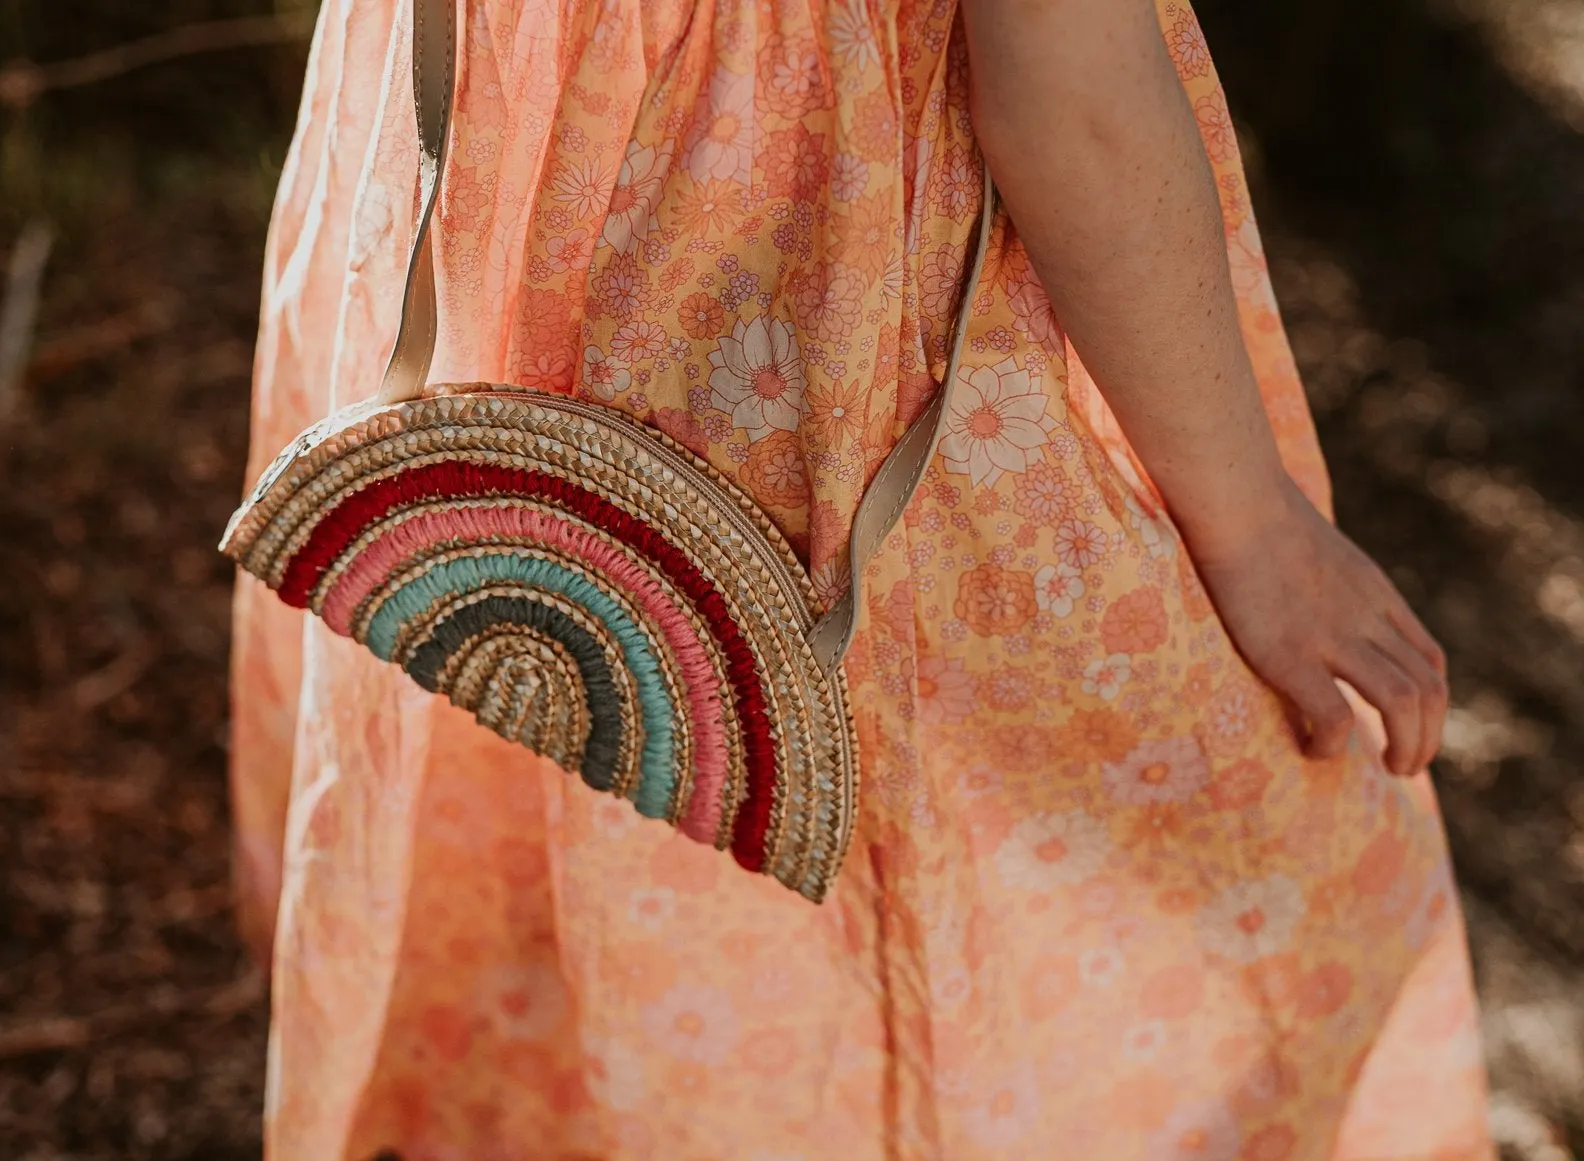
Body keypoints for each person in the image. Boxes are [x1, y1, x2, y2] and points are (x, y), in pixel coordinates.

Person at [230, 0, 1494, 1156]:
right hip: (833, 232)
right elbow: (1077, 102)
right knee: (947, 806)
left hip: (499, 162)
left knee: (539, 672)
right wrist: (1249, 531)